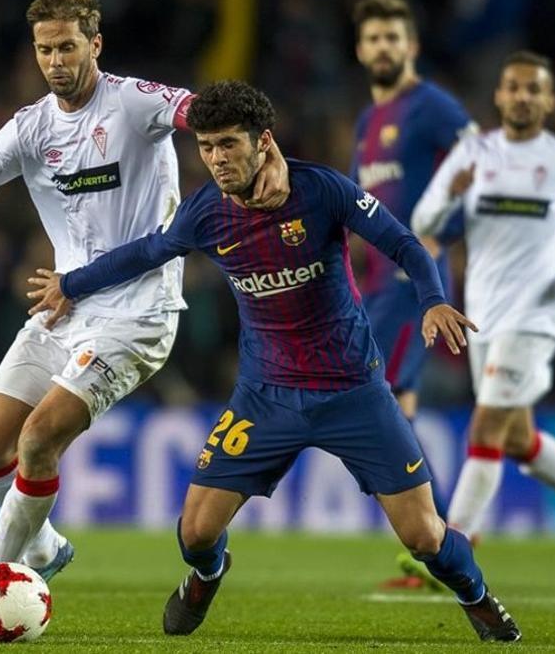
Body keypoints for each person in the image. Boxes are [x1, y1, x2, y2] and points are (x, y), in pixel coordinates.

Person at [0, 0, 289, 638]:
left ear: (94, 44)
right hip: (64, 304)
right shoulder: (31, 127)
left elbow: (203, 112)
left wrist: (264, 154)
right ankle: (41, 547)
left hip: (137, 313)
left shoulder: (134, 102)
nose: (56, 60)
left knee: (39, 439)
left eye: (68, 46)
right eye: (45, 49)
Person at [28, 80, 521, 642]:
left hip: (353, 392)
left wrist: (433, 300)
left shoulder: (323, 191)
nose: (216, 159)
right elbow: (145, 252)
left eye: (228, 145)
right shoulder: (205, 214)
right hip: (266, 397)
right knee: (194, 534)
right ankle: (209, 573)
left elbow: (406, 243)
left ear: (263, 142)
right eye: (207, 147)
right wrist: (72, 283)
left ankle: (477, 597)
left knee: (425, 538)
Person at [411, 51, 555, 572]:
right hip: (481, 312)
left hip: (536, 315)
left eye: (535, 89)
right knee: (514, 435)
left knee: (485, 431)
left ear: (550, 100)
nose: (523, 96)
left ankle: (451, 549)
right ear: (499, 95)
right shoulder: (473, 152)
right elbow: (423, 219)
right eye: (514, 87)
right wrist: (450, 200)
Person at [348, 0, 477, 589]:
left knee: (387, 411)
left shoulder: (431, 107)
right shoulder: (368, 121)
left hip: (411, 287)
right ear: (360, 49)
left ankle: (446, 547)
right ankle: (441, 547)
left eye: (392, 38)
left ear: (412, 46)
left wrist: (438, 234)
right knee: (392, 415)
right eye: (373, 38)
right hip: (376, 288)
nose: (382, 48)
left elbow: (485, 165)